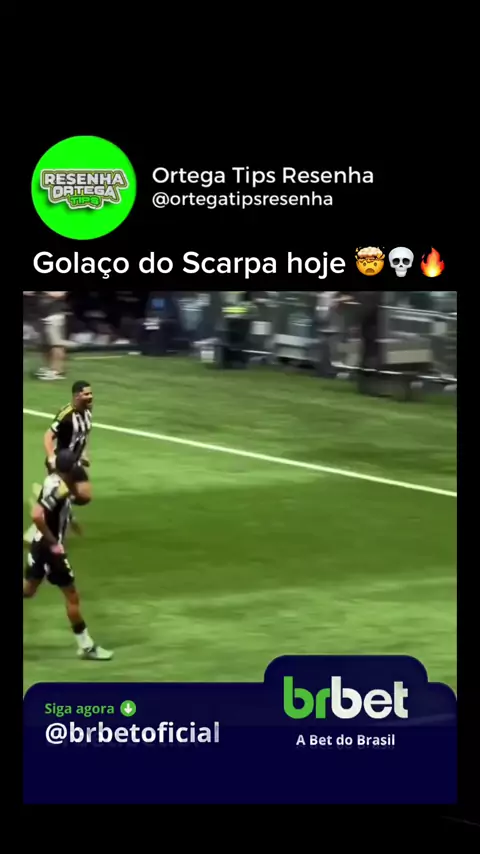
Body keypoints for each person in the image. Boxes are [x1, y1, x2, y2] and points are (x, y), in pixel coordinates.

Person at [23, 450, 113, 661]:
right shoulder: (59, 490)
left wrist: (71, 521)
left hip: (39, 546)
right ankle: (86, 646)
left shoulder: (54, 481)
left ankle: (86, 646)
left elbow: (56, 509)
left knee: (28, 590)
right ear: (71, 469)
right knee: (72, 596)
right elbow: (37, 514)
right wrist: (54, 542)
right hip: (49, 551)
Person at [23, 381, 93, 546]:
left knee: (85, 496)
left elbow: (84, 434)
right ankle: (36, 533)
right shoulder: (66, 414)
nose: (90, 397)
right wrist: (51, 458)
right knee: (62, 499)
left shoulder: (88, 411)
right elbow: (48, 435)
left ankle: (52, 499)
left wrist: (84, 452)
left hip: (75, 462)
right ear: (77, 396)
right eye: (86, 394)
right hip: (62, 464)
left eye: (91, 393)